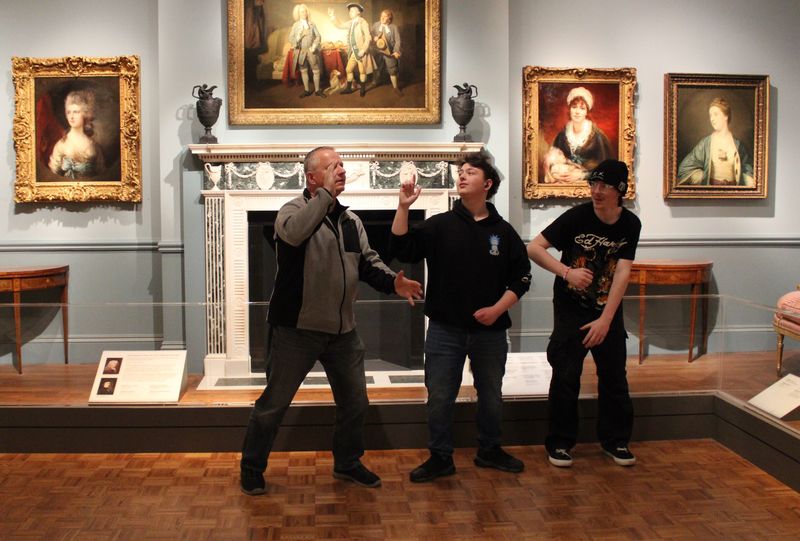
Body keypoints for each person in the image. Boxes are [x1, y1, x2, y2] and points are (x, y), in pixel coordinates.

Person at [239, 146, 423, 496]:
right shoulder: (291, 212)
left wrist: (393, 283)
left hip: (343, 332)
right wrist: (323, 197)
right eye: (332, 166)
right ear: (311, 177)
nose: (341, 170)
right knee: (274, 404)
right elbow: (294, 235)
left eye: (342, 164)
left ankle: (348, 462)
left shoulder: (350, 220)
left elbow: (368, 263)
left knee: (356, 402)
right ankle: (251, 467)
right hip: (296, 330)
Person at [391, 153, 532, 482]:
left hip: (491, 332)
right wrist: (402, 207)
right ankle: (440, 457)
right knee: (439, 395)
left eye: (471, 172)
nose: (462, 176)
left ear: (488, 184)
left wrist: (497, 309)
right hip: (444, 330)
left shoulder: (505, 232)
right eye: (461, 172)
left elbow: (522, 279)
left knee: (491, 395)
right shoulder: (440, 225)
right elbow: (403, 248)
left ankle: (490, 450)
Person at [527, 159, 641, 468]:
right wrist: (566, 272)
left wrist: (607, 320)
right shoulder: (575, 218)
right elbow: (534, 248)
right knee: (566, 376)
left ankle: (616, 442)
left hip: (607, 311)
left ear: (620, 191)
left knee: (615, 377)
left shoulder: (630, 224)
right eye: (593, 184)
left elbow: (622, 273)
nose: (597, 191)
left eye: (604, 186)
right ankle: (561, 443)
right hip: (570, 309)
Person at [677, 97, 754, 186]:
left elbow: (747, 169)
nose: (712, 119)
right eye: (710, 115)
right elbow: (685, 167)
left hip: (733, 195)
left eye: (715, 114)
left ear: (726, 116)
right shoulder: (706, 143)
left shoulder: (738, 145)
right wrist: (701, 177)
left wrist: (748, 181)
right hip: (712, 194)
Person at [543, 87, 614, 183]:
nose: (577, 112)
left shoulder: (597, 136)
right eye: (574, 107)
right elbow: (551, 161)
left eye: (582, 108)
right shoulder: (562, 136)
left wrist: (582, 175)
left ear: (586, 112)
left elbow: (608, 168)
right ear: (570, 109)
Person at [48, 89, 104, 179]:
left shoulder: (92, 144)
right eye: (69, 112)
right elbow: (53, 173)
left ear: (84, 115)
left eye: (76, 112)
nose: (71, 116)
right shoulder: (61, 144)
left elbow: (101, 172)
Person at [329, 2, 374, 97]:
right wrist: (333, 16)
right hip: (354, 51)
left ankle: (362, 89)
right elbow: (340, 26)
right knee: (348, 69)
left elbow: (368, 37)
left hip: (361, 52)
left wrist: (363, 50)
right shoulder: (351, 23)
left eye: (352, 10)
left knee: (362, 71)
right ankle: (349, 88)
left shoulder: (363, 22)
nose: (350, 12)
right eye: (349, 11)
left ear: (358, 12)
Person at [288, 4, 325, 98]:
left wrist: (314, 46)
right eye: (301, 11)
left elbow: (318, 36)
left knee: (316, 70)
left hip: (311, 51)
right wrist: (297, 38)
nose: (304, 13)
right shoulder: (295, 25)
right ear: (298, 13)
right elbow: (290, 38)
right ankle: (307, 90)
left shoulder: (312, 24)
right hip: (301, 52)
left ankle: (317, 90)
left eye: (305, 11)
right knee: (303, 71)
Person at [371, 9, 402, 96]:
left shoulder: (393, 27)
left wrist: (396, 51)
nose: (382, 18)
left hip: (389, 52)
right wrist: (374, 37)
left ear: (389, 18)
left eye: (385, 16)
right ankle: (375, 83)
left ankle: (395, 88)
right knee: (377, 67)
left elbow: (398, 40)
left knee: (392, 69)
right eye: (381, 16)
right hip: (377, 51)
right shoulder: (376, 25)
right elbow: (370, 34)